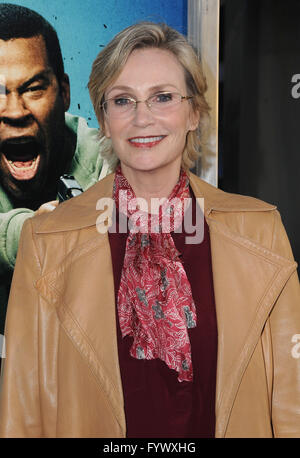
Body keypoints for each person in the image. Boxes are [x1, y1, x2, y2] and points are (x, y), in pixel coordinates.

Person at [0, 21, 299, 438]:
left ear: (194, 111)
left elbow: (290, 403)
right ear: (103, 119)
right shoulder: (45, 240)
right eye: (123, 100)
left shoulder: (260, 230)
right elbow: (21, 410)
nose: (143, 118)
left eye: (162, 97)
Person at [0, 4, 107, 335]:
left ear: (64, 92)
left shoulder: (112, 160)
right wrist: (31, 233)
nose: (15, 111)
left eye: (33, 88)